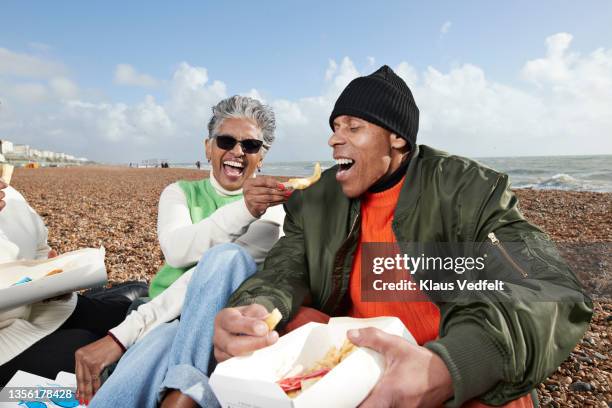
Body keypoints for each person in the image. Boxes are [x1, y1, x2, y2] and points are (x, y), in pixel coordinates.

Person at [213, 66, 592, 407]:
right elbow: (284, 270)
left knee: (500, 385)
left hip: (441, 356)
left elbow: (546, 285)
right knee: (284, 324)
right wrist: (257, 308)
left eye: (353, 127)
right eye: (334, 127)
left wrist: (450, 366)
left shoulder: (467, 190)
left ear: (396, 138)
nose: (333, 140)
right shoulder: (315, 199)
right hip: (353, 358)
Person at [80, 95, 288, 407]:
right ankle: (185, 390)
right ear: (208, 147)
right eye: (226, 141)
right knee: (151, 352)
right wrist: (244, 209)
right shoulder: (179, 193)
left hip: (218, 324)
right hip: (158, 316)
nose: (237, 152)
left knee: (227, 258)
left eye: (251, 146)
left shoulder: (273, 209)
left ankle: (182, 391)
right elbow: (178, 252)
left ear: (263, 156)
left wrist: (120, 337)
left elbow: (217, 274)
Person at [0, 182, 143, 387]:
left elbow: (40, 247)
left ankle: (104, 297)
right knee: (86, 351)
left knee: (126, 316)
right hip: (6, 339)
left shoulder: (10, 195)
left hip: (40, 307)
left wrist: (49, 273)